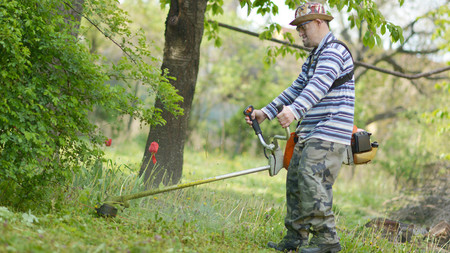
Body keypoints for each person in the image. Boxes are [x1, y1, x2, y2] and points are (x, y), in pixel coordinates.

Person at [245, 2, 355, 253]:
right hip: (310, 131)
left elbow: (318, 85)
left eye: (303, 27)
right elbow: (296, 88)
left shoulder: (334, 51)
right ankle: (296, 237)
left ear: (319, 23)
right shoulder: (314, 56)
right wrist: (267, 112)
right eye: (298, 29)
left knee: (310, 178)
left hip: (329, 132)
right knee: (295, 179)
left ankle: (327, 240)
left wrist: (294, 110)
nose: (300, 33)